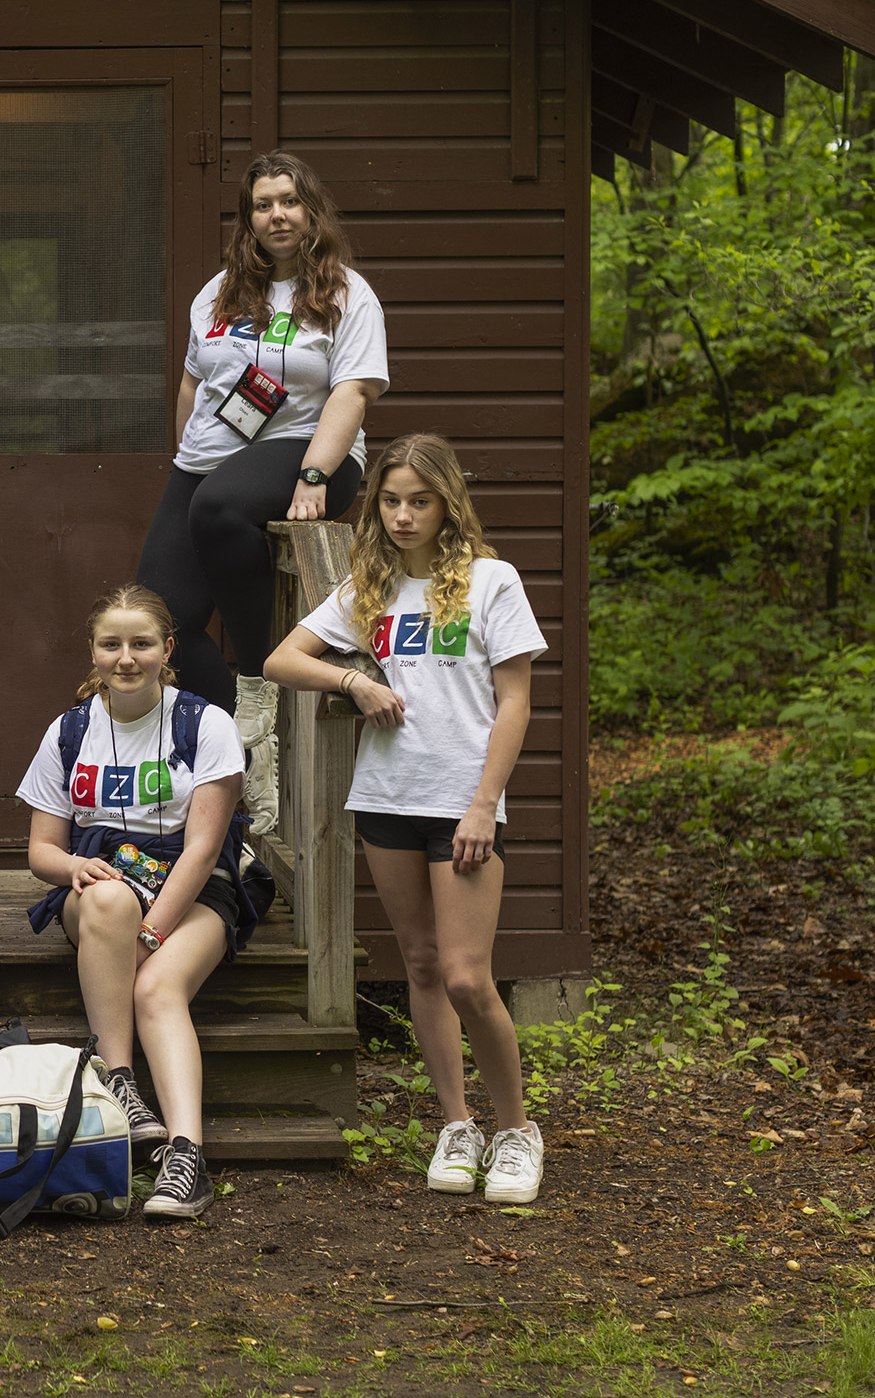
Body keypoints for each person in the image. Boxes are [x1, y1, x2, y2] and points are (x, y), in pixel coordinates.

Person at [263, 434, 549, 1204]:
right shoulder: (370, 585)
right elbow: (282, 659)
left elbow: (516, 700)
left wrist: (485, 802)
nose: (401, 514)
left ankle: (517, 1130)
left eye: (418, 500)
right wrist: (353, 681)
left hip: (463, 804)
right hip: (386, 796)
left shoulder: (492, 581)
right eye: (390, 500)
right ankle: (457, 1125)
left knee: (466, 975)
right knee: (420, 965)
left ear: (446, 501)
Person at [135, 151, 389, 832]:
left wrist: (313, 475)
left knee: (220, 505)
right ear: (247, 219)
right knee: (159, 622)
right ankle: (244, 758)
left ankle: (257, 686)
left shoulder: (346, 294)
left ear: (311, 210)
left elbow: (354, 390)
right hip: (212, 461)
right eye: (261, 204)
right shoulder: (218, 292)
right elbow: (193, 384)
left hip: (311, 454)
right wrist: (184, 452)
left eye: (288, 200)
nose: (275, 214)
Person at [15, 585, 248, 1222]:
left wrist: (151, 938)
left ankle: (185, 1156)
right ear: (92, 651)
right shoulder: (68, 732)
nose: (126, 657)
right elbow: (41, 851)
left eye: (141, 643)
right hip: (97, 895)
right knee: (111, 900)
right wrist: (72, 866)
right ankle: (120, 1078)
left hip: (188, 891)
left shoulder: (205, 725)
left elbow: (203, 849)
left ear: (167, 649)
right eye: (111, 644)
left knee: (154, 992)